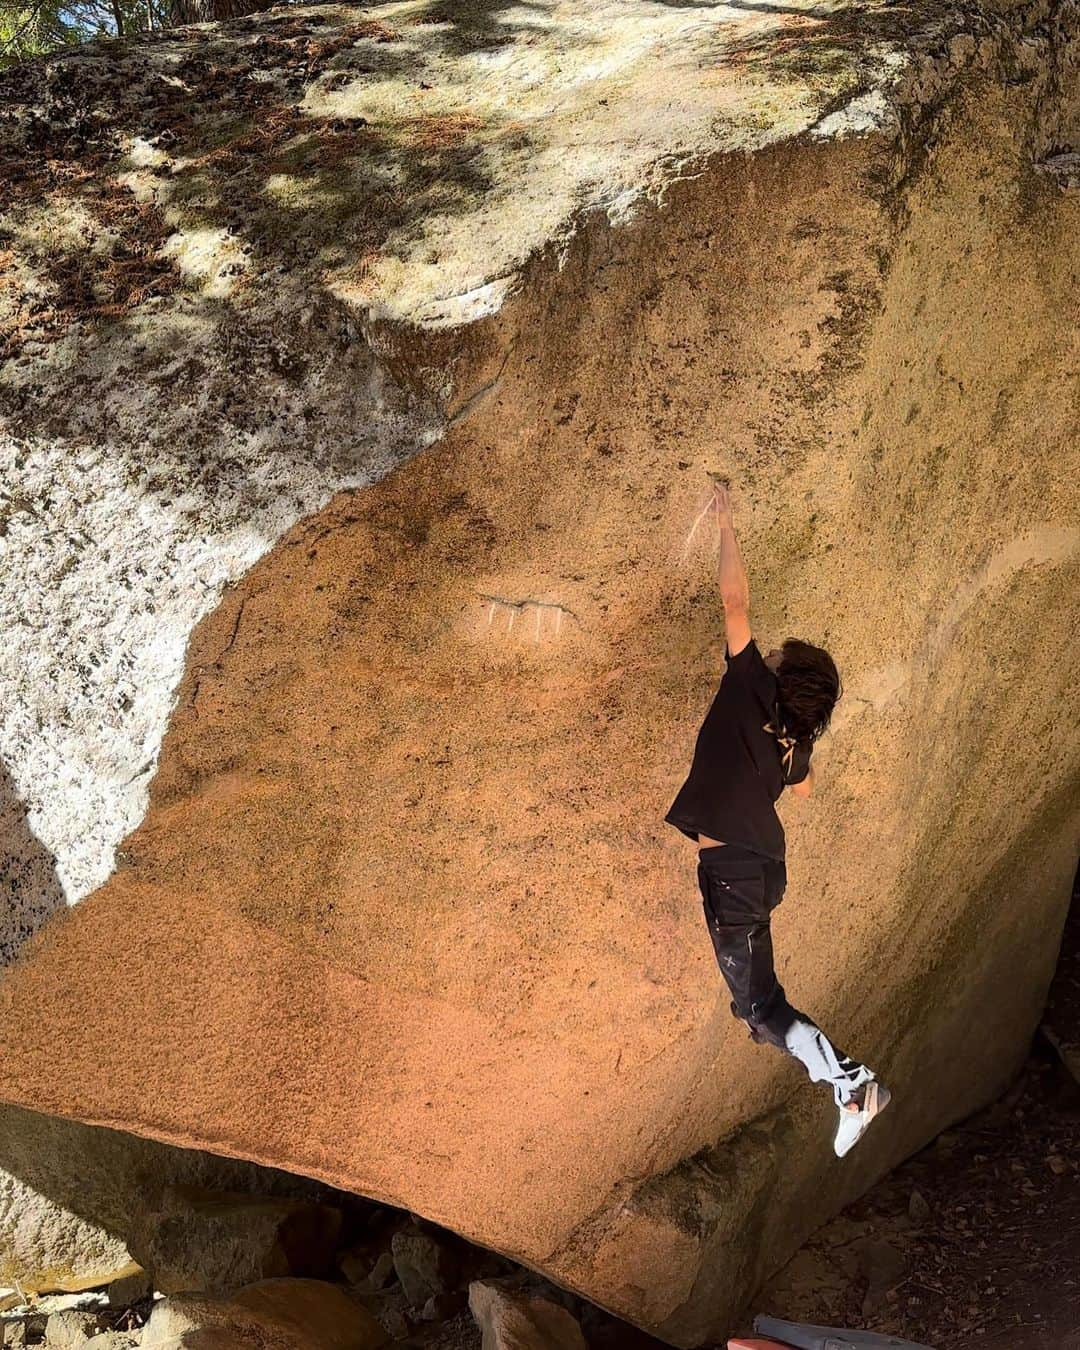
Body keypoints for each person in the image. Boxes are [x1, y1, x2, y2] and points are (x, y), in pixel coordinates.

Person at [666, 479, 890, 1157]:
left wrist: (726, 524)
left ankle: (852, 1084)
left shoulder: (749, 687)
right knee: (758, 1008)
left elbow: (735, 602)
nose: (764, 653)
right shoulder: (791, 737)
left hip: (738, 872)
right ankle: (843, 1080)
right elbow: (805, 788)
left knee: (761, 1008)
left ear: (781, 673)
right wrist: (797, 741)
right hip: (754, 873)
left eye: (775, 656)